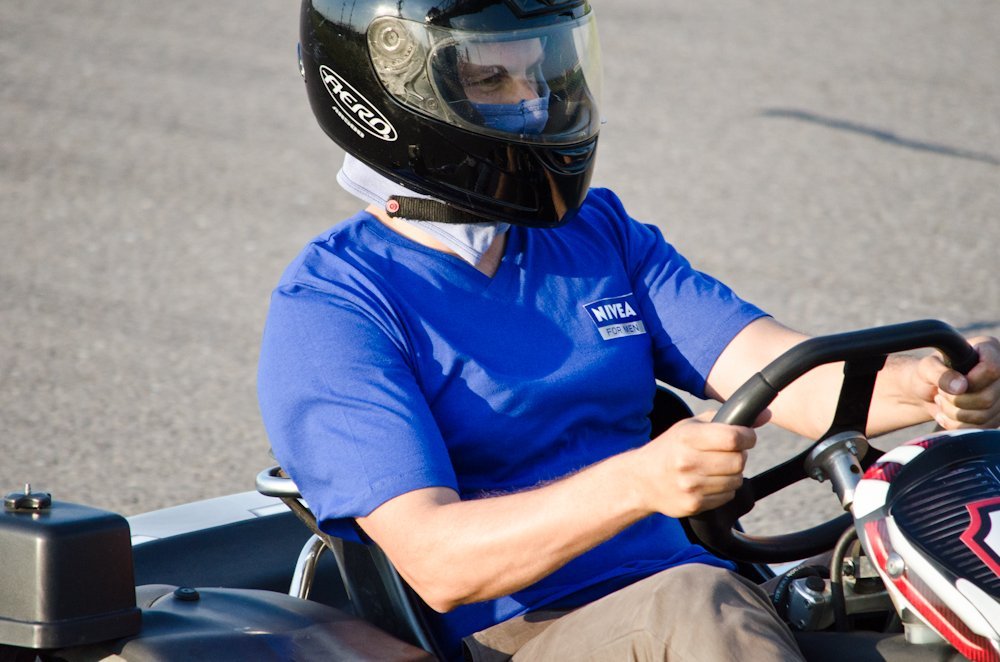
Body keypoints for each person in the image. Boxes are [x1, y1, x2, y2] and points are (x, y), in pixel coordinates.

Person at [257, 2, 1000, 660]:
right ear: (393, 96)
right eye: (491, 82)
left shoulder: (595, 233)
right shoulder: (334, 305)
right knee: (696, 605)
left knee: (923, 591)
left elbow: (784, 372)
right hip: (526, 631)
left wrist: (932, 384)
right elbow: (439, 561)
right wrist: (639, 481)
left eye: (542, 74)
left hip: (703, 591)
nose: (534, 104)